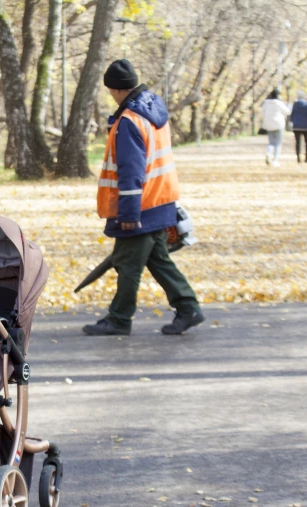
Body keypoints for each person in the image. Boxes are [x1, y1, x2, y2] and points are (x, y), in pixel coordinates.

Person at [84, 59, 204, 337]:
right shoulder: (153, 111)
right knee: (158, 259)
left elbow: (131, 172)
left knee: (127, 264)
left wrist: (128, 214)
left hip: (140, 205)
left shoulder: (129, 121)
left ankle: (119, 319)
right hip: (162, 200)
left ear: (114, 90)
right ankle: (188, 307)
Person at [261, 89, 291, 167]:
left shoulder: (266, 103)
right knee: (278, 142)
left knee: (271, 142)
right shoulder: (278, 103)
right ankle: (275, 160)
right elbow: (287, 112)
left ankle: (268, 153)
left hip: (268, 124)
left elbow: (262, 112)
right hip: (278, 124)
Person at [290, 90, 307, 163]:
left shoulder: (295, 104)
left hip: (296, 126)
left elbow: (292, 115)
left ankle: (298, 157)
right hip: (305, 126)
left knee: (297, 142)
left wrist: (292, 122)